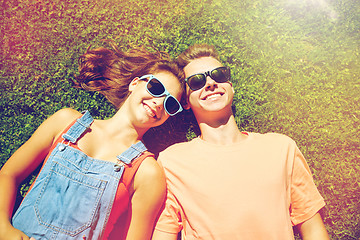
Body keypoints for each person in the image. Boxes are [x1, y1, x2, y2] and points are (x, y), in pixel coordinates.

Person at [0, 42, 185, 240]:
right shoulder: (65, 122)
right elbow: (9, 174)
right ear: (135, 83)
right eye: (156, 88)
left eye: (170, 103)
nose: (159, 102)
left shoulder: (147, 172)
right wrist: (3, 227)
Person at [152, 44, 330, 240]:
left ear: (230, 86)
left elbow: (313, 228)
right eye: (196, 81)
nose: (210, 83)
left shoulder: (281, 148)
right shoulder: (172, 162)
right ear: (185, 101)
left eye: (219, 75)